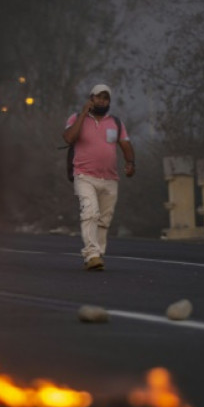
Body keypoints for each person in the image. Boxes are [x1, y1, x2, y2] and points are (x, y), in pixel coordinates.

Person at [62, 84, 135, 271]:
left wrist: (130, 163)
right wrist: (84, 114)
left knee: (104, 219)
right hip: (84, 176)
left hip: (110, 179)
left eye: (105, 98)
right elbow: (69, 138)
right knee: (90, 213)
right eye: (98, 97)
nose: (101, 100)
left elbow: (125, 144)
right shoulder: (76, 118)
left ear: (109, 101)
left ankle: (97, 254)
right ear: (90, 98)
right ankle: (91, 254)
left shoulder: (116, 123)